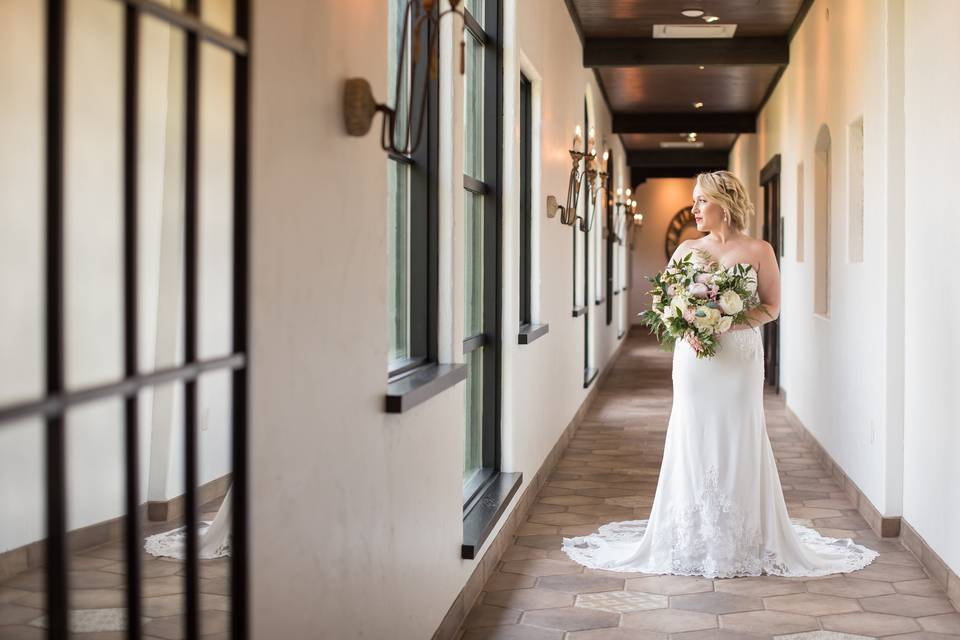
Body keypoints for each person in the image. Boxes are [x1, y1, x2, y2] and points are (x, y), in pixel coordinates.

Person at [562, 170, 878, 578]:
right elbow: (662, 303)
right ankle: (690, 535)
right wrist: (687, 325)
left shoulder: (759, 250)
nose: (693, 209)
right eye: (693, 201)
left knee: (740, 432)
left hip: (740, 360)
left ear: (723, 204)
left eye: (700, 201)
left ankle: (745, 536)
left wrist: (729, 322)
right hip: (695, 362)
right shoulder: (687, 250)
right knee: (692, 432)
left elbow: (772, 306)